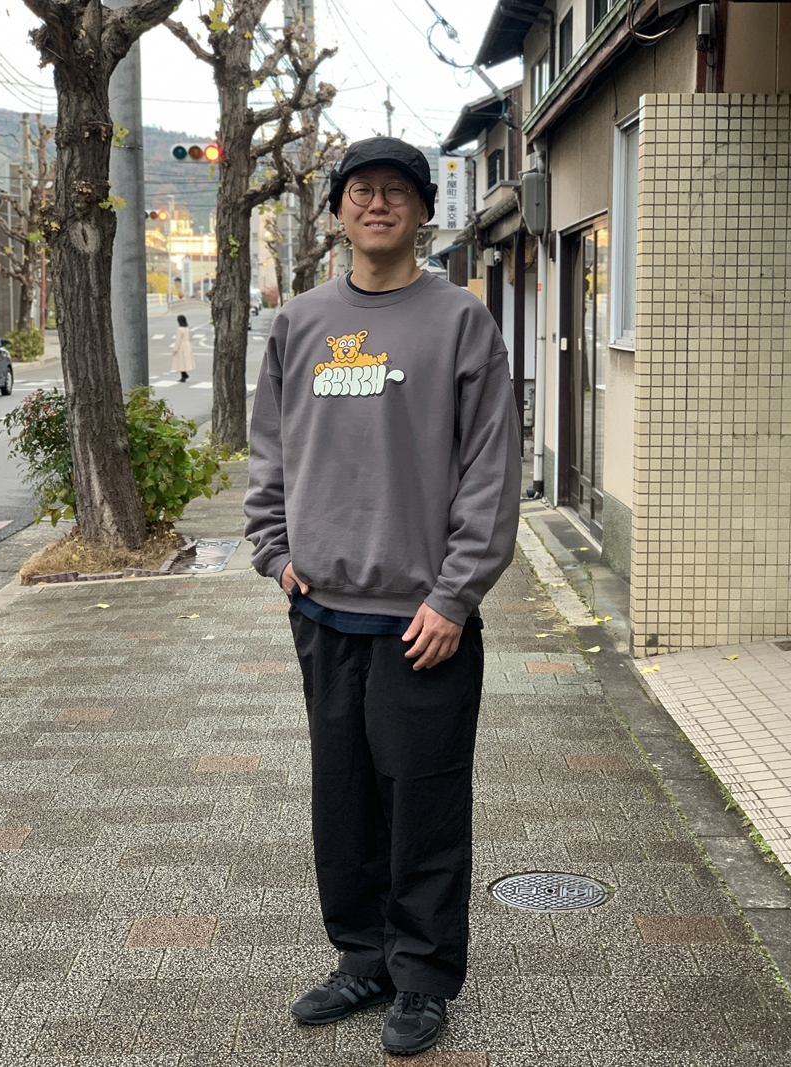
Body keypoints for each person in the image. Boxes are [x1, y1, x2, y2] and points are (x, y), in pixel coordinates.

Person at [243, 137, 521, 1057]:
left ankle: (424, 974)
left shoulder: (460, 321)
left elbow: (490, 469)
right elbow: (269, 447)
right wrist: (274, 550)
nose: (376, 203)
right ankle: (362, 957)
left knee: (424, 801)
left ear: (424, 211)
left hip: (423, 620)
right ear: (336, 212)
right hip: (323, 608)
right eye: (359, 189)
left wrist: (455, 596)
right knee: (345, 798)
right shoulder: (300, 322)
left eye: (397, 190)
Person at [171, 314, 195, 382]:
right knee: (184, 361)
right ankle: (184, 375)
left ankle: (184, 375)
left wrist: (175, 349)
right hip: (187, 344)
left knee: (180, 361)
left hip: (181, 345)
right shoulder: (186, 329)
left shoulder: (179, 329)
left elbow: (178, 340)